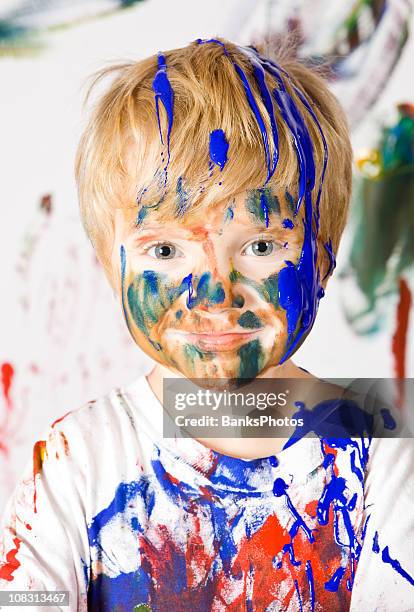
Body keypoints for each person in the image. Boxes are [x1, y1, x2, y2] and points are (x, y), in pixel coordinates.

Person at [1, 37, 413, 611]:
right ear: (109, 267)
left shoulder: (383, 453)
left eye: (263, 244)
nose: (216, 293)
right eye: (166, 253)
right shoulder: (74, 461)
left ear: (322, 257)